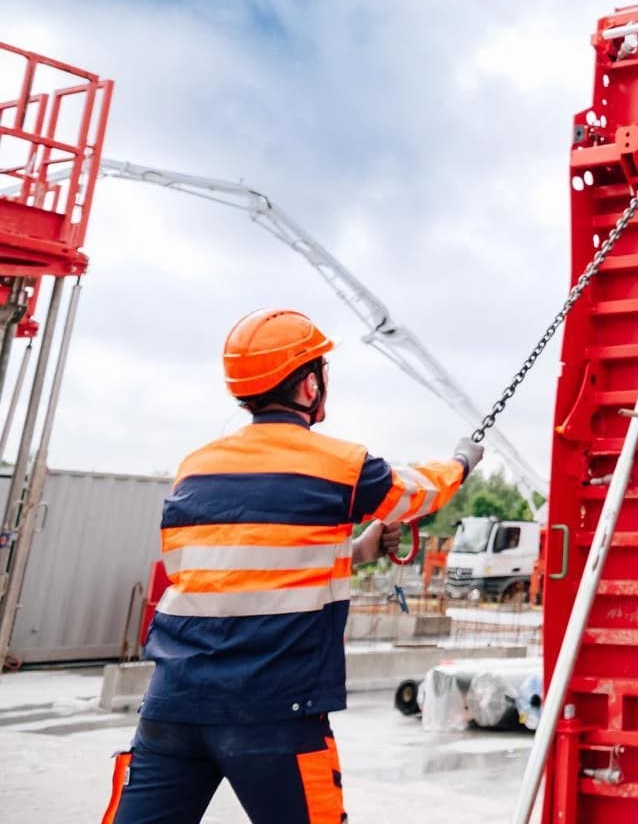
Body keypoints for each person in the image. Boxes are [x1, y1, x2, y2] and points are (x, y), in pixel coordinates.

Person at [101, 309, 482, 824]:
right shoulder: (341, 466)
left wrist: (362, 548)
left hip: (174, 703)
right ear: (309, 385)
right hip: (276, 710)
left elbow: (243, 568)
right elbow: (418, 492)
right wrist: (463, 460)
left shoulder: (196, 467)